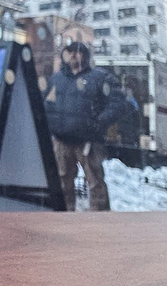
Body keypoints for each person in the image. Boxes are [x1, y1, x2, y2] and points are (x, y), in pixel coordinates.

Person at [43, 41, 127, 211]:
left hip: (89, 142)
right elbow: (44, 104)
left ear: (85, 56)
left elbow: (118, 103)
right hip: (61, 141)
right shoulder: (57, 79)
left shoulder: (100, 77)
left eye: (77, 51)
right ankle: (64, 221)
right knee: (62, 184)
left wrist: (99, 123)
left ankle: (99, 226)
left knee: (95, 184)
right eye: (69, 51)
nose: (73, 55)